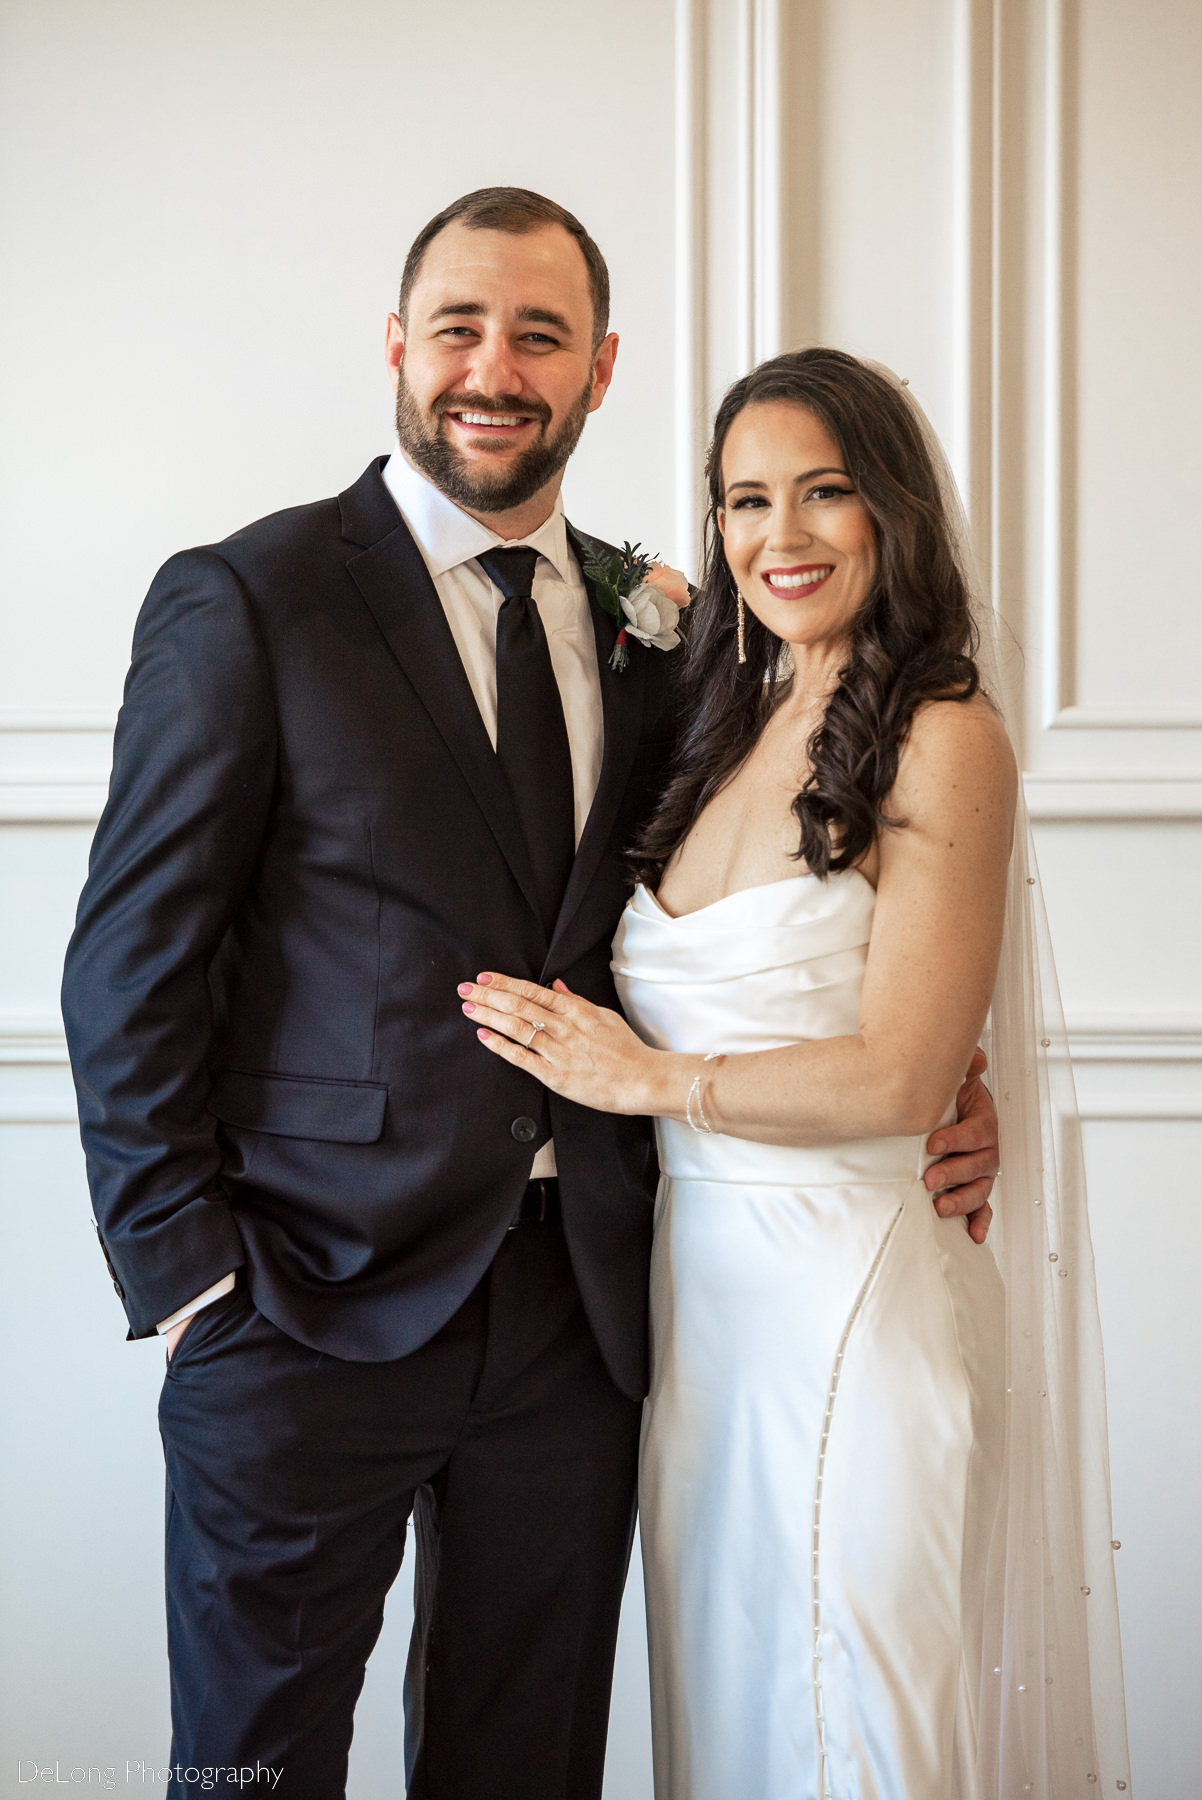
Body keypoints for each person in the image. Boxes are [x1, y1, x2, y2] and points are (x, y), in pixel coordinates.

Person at [62, 196, 999, 1799]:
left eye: (541, 335)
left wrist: (940, 1070)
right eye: (460, 328)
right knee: (250, 1769)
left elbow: (790, 880)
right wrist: (190, 1281)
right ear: (397, 348)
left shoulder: (672, 634)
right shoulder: (250, 597)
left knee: (526, 1762)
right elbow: (131, 960)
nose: (494, 369)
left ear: (600, 368)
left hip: (586, 1320)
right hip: (301, 1306)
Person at [460, 349, 1130, 1797]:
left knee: (853, 1712)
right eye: (745, 501)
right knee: (736, 1707)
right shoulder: (705, 717)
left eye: (825, 493)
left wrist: (650, 1082)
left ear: (891, 507)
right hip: (698, 1317)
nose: (783, 536)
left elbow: (898, 1076)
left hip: (848, 1294)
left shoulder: (943, 737)